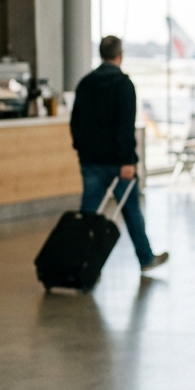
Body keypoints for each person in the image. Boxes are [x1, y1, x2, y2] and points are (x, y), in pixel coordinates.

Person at [70, 35, 168, 272]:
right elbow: (125, 126)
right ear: (120, 55)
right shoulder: (124, 85)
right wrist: (127, 160)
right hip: (117, 162)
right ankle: (145, 258)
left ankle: (80, 263)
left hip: (91, 161)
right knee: (131, 210)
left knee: (89, 215)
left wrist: (81, 149)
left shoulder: (86, 83)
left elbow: (76, 121)